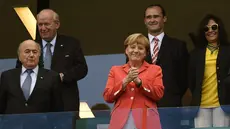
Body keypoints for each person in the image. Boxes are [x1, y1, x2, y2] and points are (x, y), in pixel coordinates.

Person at [16, 9, 88, 114]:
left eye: (46, 24)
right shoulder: (30, 46)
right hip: (37, 104)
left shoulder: (71, 44)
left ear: (57, 24)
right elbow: (19, 71)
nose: (43, 28)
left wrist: (62, 77)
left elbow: (82, 68)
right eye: (40, 24)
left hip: (64, 102)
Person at [103, 33, 164, 129]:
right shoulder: (115, 70)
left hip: (147, 120)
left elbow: (159, 94)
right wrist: (124, 82)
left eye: (140, 48)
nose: (136, 51)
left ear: (146, 53)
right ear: (126, 51)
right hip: (121, 120)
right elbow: (107, 96)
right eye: (132, 47)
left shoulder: (155, 69)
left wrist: (140, 83)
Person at [188, 14, 230, 127]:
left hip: (223, 105)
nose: (210, 31)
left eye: (214, 27)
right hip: (201, 106)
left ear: (219, 28)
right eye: (206, 28)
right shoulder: (195, 54)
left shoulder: (228, 51)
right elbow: (191, 81)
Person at [0, 40, 63, 114]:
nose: (31, 55)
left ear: (39, 55)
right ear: (19, 56)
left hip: (41, 124)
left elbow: (58, 109)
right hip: (14, 124)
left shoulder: (52, 77)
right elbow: (1, 105)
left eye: (35, 52)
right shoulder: (7, 76)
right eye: (27, 52)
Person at [143, 4, 189, 107]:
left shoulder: (178, 46)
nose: (152, 20)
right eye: (149, 17)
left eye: (156, 16)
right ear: (145, 21)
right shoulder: (136, 46)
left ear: (164, 19)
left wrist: (173, 96)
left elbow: (184, 79)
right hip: (143, 106)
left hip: (170, 105)